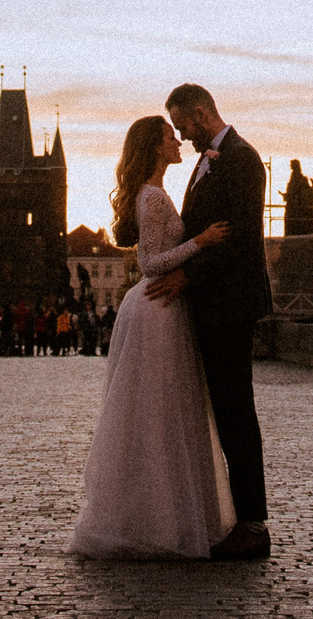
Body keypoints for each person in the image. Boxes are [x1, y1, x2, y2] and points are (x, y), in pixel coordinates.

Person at [68, 115, 234, 558]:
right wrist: (200, 242)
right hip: (157, 307)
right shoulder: (152, 197)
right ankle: (160, 521)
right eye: (168, 136)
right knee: (162, 412)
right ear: (154, 147)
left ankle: (158, 516)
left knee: (162, 412)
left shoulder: (155, 193)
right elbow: (150, 263)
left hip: (162, 308)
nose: (177, 140)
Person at [146, 83, 275, 561]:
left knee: (235, 410)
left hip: (229, 304)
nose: (182, 135)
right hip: (211, 302)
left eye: (183, 125)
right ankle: (237, 518)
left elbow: (239, 239)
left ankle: (254, 525)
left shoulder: (240, 157)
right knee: (223, 411)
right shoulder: (209, 160)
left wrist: (184, 276)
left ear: (201, 113)